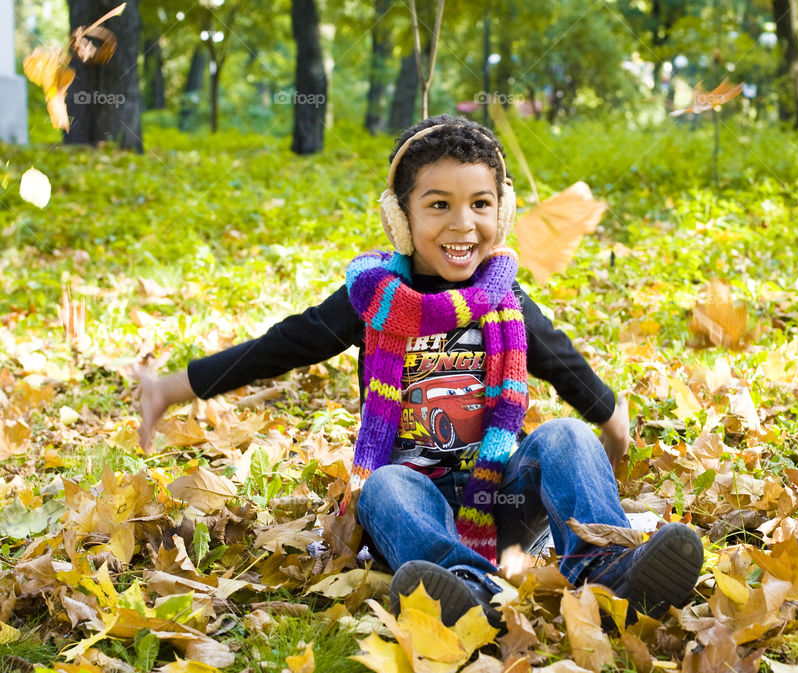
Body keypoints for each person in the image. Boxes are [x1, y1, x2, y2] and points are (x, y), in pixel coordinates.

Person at [137, 114, 703, 628]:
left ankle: (611, 570)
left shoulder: (504, 298)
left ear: (500, 212)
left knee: (568, 436)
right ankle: (459, 587)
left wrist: (611, 418)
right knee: (383, 487)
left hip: (498, 497)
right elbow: (283, 344)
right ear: (400, 218)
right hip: (412, 495)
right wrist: (172, 388)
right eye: (439, 205)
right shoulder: (375, 300)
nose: (464, 224)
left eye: (481, 204)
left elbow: (562, 361)